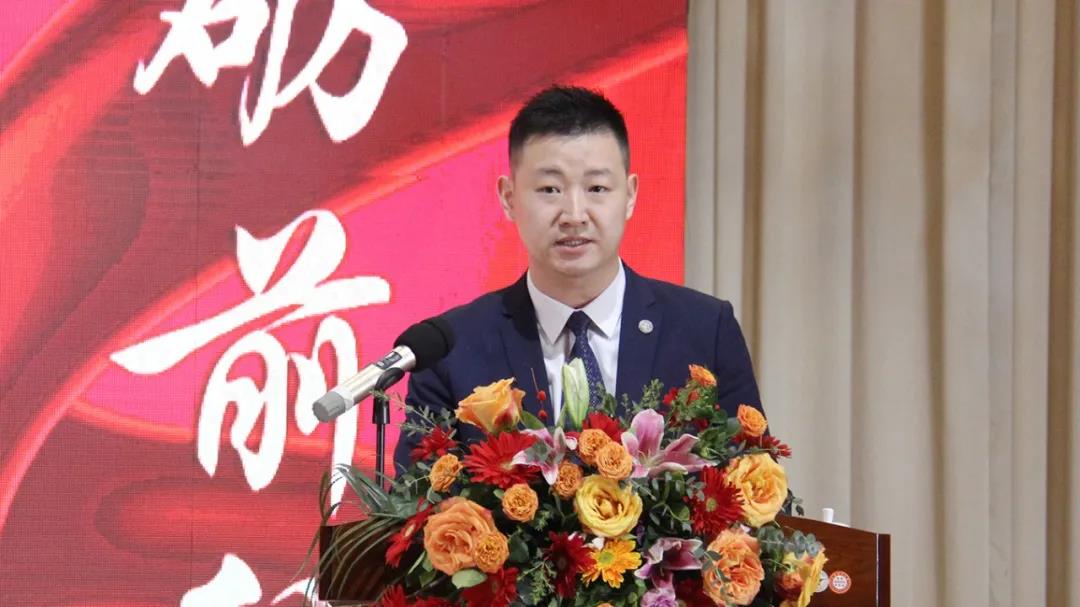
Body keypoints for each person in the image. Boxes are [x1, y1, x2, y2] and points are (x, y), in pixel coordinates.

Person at [393, 85, 761, 469]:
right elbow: (417, 498)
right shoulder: (451, 351)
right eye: (550, 189)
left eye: (596, 188)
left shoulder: (704, 330)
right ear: (509, 197)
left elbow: (754, 487)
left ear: (630, 195)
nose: (574, 214)